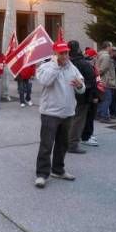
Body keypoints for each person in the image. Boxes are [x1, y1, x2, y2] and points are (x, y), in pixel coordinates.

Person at [34, 39, 85, 189]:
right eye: (62, 53)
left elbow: (81, 87)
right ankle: (42, 174)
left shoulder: (72, 67)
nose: (65, 55)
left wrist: (80, 85)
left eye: (67, 52)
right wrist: (56, 65)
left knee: (63, 144)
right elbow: (46, 81)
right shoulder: (45, 67)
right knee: (46, 145)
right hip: (50, 113)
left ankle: (58, 170)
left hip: (68, 112)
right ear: (55, 54)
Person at [67, 41, 97, 154]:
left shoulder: (69, 63)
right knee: (78, 120)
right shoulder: (83, 63)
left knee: (72, 120)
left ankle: (69, 141)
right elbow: (92, 81)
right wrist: (94, 96)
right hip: (82, 97)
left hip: (71, 95)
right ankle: (72, 144)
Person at [81, 48, 99, 146]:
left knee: (89, 117)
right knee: (89, 116)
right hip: (90, 96)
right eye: (95, 57)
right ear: (93, 57)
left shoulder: (89, 66)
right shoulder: (88, 66)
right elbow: (92, 83)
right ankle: (86, 136)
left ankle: (88, 134)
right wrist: (95, 96)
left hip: (89, 94)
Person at [95, 41, 116, 124]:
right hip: (105, 81)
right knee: (107, 99)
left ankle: (99, 114)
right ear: (107, 46)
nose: (112, 48)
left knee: (102, 98)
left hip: (99, 80)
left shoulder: (99, 54)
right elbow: (102, 69)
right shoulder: (106, 56)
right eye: (111, 46)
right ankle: (104, 116)